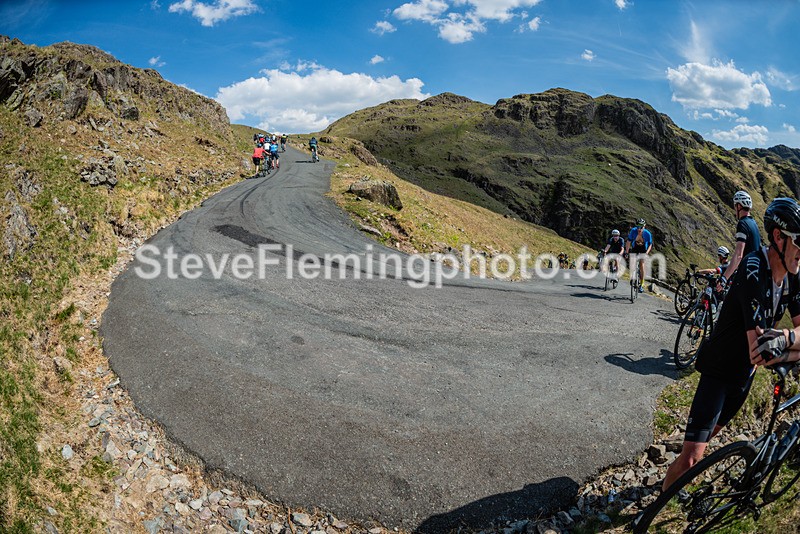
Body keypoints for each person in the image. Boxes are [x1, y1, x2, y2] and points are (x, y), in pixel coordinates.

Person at [658, 197, 800, 495]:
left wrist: (784, 339)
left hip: (743, 380)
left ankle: (672, 490)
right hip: (719, 373)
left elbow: (780, 341)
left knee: (705, 443)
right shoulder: (753, 268)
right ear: (779, 237)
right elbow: (759, 351)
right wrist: (791, 345)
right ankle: (655, 507)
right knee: (691, 458)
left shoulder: (794, 274)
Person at [719, 191, 761, 290]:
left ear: (739, 206)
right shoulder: (753, 223)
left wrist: (724, 278)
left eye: (735, 206)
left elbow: (739, 255)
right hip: (756, 273)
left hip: (746, 276)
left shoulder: (742, 224)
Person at [624, 218, 653, 293]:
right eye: (638, 227)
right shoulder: (633, 231)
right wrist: (626, 252)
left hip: (643, 248)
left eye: (641, 227)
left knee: (641, 264)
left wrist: (647, 253)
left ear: (644, 226)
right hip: (635, 247)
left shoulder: (647, 234)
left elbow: (650, 244)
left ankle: (642, 283)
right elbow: (628, 242)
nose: (639, 229)